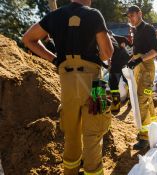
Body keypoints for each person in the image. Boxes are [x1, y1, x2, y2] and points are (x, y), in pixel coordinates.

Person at [22, 0, 114, 174]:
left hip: (67, 81)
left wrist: (55, 59)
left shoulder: (55, 16)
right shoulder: (93, 14)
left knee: (71, 136)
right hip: (95, 81)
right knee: (93, 135)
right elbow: (107, 53)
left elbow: (28, 39)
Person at [124, 5, 157, 150]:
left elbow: (156, 50)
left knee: (141, 100)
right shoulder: (136, 30)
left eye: (132, 15)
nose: (130, 19)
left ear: (140, 14)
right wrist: (132, 60)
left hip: (147, 71)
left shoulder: (148, 28)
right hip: (140, 70)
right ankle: (153, 127)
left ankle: (145, 138)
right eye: (128, 16)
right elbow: (138, 51)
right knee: (147, 99)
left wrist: (139, 60)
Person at [108, 31, 131, 115]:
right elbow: (131, 52)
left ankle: (116, 104)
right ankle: (130, 100)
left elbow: (131, 52)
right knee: (128, 82)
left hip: (118, 66)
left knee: (113, 84)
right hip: (124, 65)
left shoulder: (110, 39)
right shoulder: (122, 39)